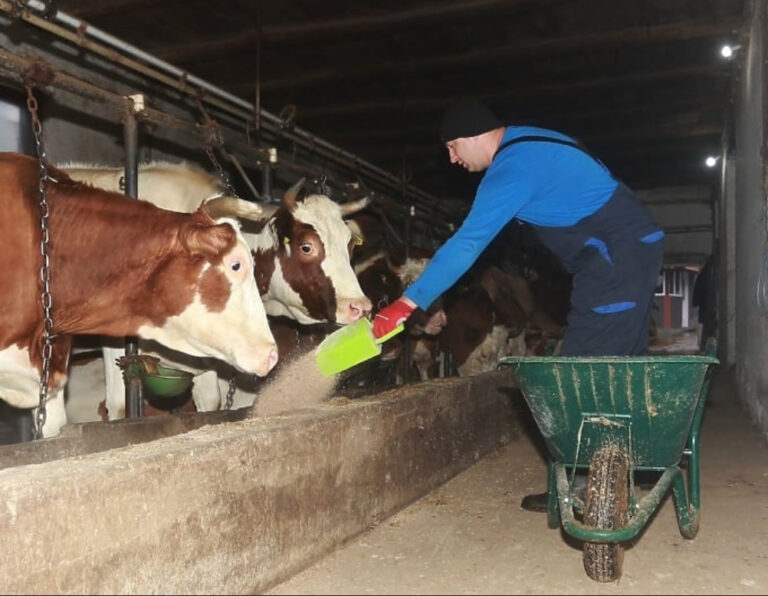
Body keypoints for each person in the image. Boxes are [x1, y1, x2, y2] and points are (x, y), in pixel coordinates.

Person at [372, 98, 665, 511]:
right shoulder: (529, 141)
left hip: (614, 256)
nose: (452, 159)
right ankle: (606, 473)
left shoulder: (511, 169)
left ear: (475, 135)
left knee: (586, 368)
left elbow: (468, 243)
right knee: (617, 360)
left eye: (454, 147)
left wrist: (407, 302)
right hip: (616, 254)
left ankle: (587, 485)